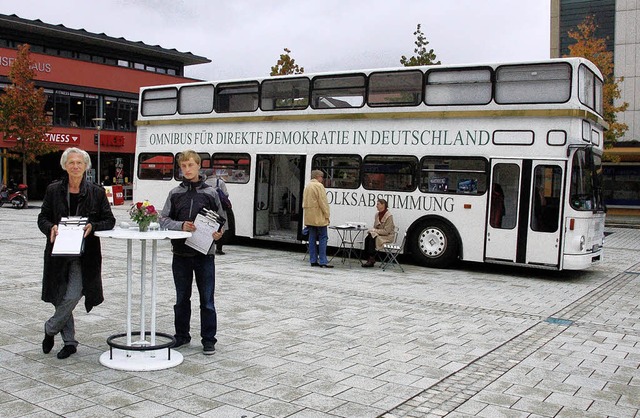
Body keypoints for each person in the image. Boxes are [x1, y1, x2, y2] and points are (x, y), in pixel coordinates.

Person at [37, 147, 116, 359]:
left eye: (79, 163)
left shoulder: (96, 192)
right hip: (58, 253)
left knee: (73, 294)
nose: (75, 166)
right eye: (71, 162)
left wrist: (93, 226)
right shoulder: (53, 190)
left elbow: (109, 220)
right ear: (65, 165)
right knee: (61, 295)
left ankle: (50, 328)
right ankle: (69, 342)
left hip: (85, 255)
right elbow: (42, 218)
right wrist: (50, 228)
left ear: (86, 166)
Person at [159, 150, 225, 355]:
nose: (187, 169)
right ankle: (182, 336)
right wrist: (180, 226)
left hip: (205, 255)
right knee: (181, 299)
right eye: (183, 166)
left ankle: (208, 339)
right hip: (180, 255)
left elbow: (223, 219)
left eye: (190, 165)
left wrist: (219, 233)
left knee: (207, 300)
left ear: (198, 166)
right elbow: (163, 220)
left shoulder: (211, 193)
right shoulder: (175, 193)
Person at [302, 170, 333, 268]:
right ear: (318, 177)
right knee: (323, 238)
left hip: (309, 217)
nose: (322, 179)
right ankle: (323, 261)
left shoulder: (307, 186)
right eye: (322, 177)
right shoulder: (319, 186)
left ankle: (313, 260)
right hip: (319, 217)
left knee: (312, 238)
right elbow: (323, 202)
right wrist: (327, 215)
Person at [362, 198, 396, 267]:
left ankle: (371, 259)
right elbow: (375, 227)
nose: (376, 206)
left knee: (372, 238)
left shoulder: (389, 216)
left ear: (383, 205)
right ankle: (370, 258)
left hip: (387, 236)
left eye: (378, 204)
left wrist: (375, 231)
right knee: (368, 237)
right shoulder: (377, 215)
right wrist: (373, 231)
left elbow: (387, 231)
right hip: (379, 234)